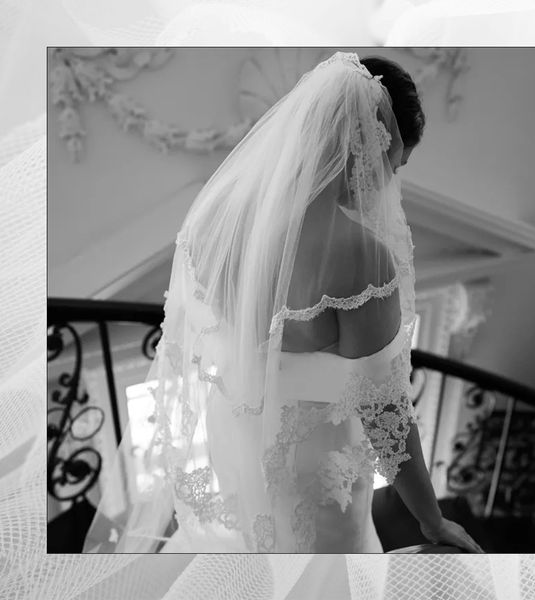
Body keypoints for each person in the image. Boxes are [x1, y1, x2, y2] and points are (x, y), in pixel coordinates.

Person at [83, 51, 484, 554]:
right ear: (370, 146)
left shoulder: (216, 219)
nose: (388, 184)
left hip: (239, 454)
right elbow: (384, 413)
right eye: (393, 164)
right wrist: (431, 521)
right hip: (319, 478)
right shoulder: (362, 255)